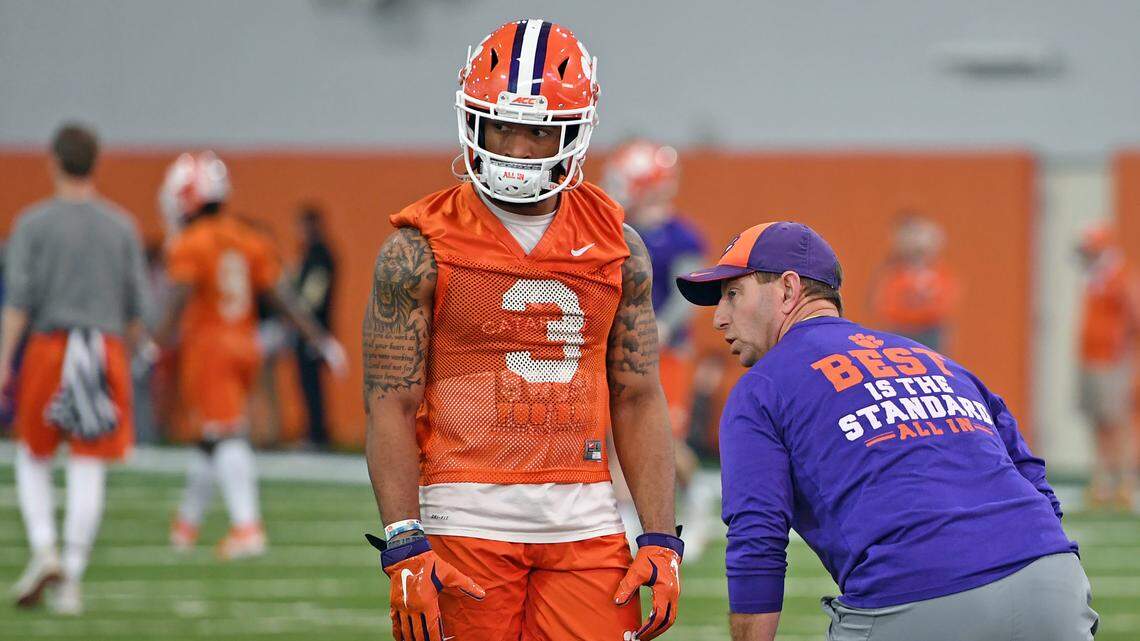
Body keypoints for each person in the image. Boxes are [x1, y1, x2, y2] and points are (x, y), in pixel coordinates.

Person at [362, 19, 683, 641]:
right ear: (472, 123)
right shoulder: (417, 248)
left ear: (574, 131)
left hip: (586, 521)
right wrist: (403, 541)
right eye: (500, 125)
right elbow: (389, 404)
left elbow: (639, 397)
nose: (515, 147)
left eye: (537, 130)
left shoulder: (620, 246)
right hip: (462, 517)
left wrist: (661, 537)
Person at [676, 221, 1098, 641]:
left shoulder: (762, 386)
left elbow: (758, 537)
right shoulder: (939, 362)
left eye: (733, 294)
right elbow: (1031, 475)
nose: (719, 318)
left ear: (788, 289)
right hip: (1052, 581)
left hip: (915, 595)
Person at [157, 151, 346, 560]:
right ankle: (186, 525)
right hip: (246, 344)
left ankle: (247, 527)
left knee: (225, 435)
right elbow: (282, 295)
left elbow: (177, 298)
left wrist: (154, 342)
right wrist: (320, 338)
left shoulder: (191, 242)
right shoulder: (248, 237)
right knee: (212, 438)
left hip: (210, 347)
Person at [2, 123, 151, 614]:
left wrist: (4, 360)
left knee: (33, 455)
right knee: (89, 464)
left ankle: (44, 548)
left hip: (50, 346)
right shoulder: (121, 226)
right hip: (103, 349)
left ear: (53, 161)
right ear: (96, 162)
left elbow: (18, 301)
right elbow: (138, 308)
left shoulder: (33, 224)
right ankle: (71, 576)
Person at [604, 140, 716, 560]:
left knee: (665, 438)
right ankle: (628, 520)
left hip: (663, 353)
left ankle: (697, 495)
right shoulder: (613, 228)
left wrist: (661, 328)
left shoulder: (680, 235)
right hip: (618, 349)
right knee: (618, 435)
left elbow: (686, 293)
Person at [1076, 222, 1139, 511]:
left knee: (1116, 422)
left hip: (1112, 361)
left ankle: (1124, 481)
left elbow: (1134, 315)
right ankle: (1102, 480)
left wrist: (1122, 349)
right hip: (1091, 358)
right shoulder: (1095, 277)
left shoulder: (1120, 276)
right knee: (1098, 422)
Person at [869, 213, 958, 351]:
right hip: (900, 330)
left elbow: (944, 302)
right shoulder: (892, 274)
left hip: (930, 332)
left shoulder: (939, 275)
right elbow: (881, 302)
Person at [293, 204, 336, 447]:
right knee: (309, 381)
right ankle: (315, 430)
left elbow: (313, 295)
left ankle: (317, 433)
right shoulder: (313, 253)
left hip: (313, 328)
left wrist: (302, 319)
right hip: (313, 326)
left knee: (311, 382)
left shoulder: (319, 255)